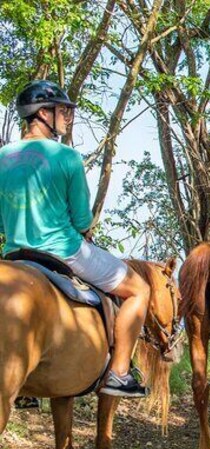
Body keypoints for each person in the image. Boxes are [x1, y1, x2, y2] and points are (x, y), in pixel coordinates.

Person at [0, 80, 150, 397]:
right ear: (42, 114)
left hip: (14, 254)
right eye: (62, 111)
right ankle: (120, 373)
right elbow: (82, 221)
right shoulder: (67, 157)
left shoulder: (2, 157)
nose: (67, 118)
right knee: (139, 289)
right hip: (62, 250)